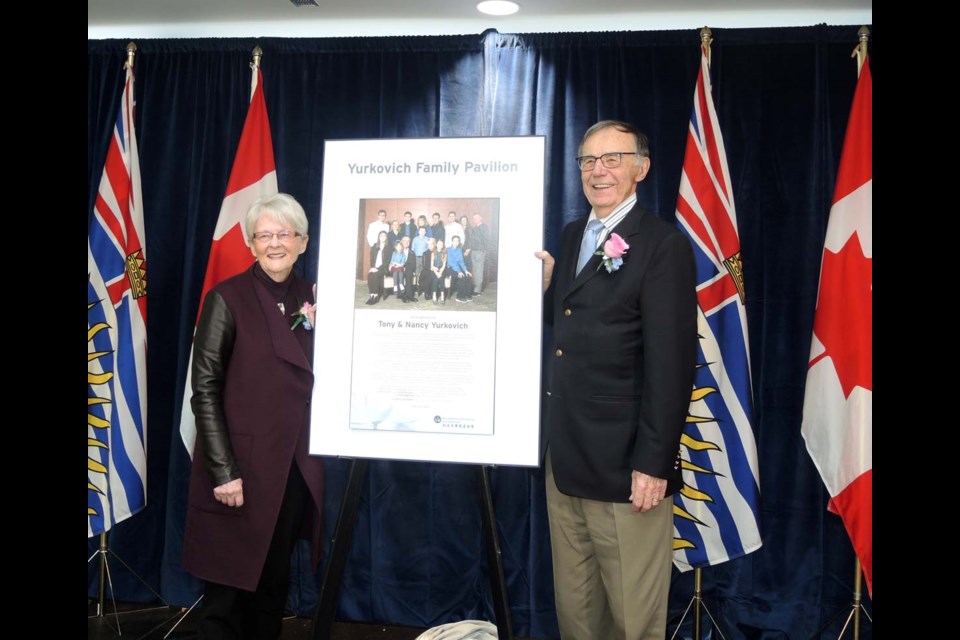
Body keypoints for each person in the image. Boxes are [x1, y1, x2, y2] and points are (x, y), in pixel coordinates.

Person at [535, 120, 697, 640]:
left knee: (632, 622)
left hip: (628, 473)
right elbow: (576, 332)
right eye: (587, 160)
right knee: (577, 615)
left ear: (641, 168)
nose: (597, 171)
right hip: (565, 464)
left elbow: (672, 365)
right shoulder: (569, 235)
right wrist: (545, 296)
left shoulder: (661, 246)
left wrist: (654, 463)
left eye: (612, 158)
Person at [182, 193, 325, 640]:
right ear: (250, 243)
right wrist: (224, 471)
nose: (275, 243)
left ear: (302, 242)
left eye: (285, 234)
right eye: (265, 235)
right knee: (226, 597)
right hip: (238, 473)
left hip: (291, 470)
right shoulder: (226, 298)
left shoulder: (313, 297)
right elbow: (203, 390)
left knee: (271, 590)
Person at [446, 235, 473, 303]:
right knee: (462, 277)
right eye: (454, 241)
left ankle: (467, 295)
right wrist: (459, 272)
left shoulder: (459, 250)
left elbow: (461, 262)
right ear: (452, 241)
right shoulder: (448, 250)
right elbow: (452, 263)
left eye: (457, 241)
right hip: (450, 268)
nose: (456, 242)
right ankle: (459, 297)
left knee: (468, 276)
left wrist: (465, 270)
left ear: (459, 242)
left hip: (457, 267)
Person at [366, 230, 390, 305]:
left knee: (375, 275)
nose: (382, 237)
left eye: (384, 236)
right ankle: (371, 295)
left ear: (386, 238)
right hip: (375, 267)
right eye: (381, 236)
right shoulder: (374, 246)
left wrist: (377, 269)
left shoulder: (389, 248)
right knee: (370, 274)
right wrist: (372, 267)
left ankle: (376, 295)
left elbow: (387, 262)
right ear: (379, 237)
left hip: (383, 269)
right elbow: (372, 259)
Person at [469, 213, 489, 296]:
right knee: (475, 271)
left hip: (479, 252)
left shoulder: (484, 227)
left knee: (478, 271)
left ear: (481, 218)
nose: (475, 219)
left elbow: (485, 240)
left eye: (477, 218)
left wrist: (482, 251)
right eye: (474, 218)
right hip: (474, 251)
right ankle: (476, 288)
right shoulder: (475, 228)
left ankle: (477, 291)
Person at [428, 238, 448, 305]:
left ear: (443, 245)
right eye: (439, 244)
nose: (440, 245)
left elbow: (444, 265)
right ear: (436, 244)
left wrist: (440, 272)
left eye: (441, 244)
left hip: (442, 269)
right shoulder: (433, 253)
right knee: (435, 279)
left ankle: (442, 295)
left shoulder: (445, 253)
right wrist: (436, 272)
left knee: (441, 279)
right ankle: (434, 295)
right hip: (434, 269)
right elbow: (432, 265)